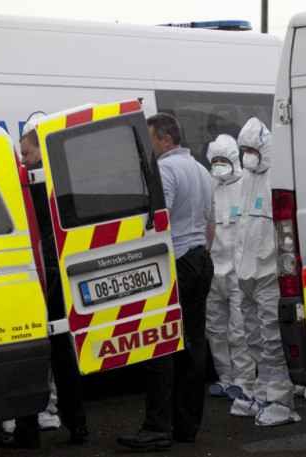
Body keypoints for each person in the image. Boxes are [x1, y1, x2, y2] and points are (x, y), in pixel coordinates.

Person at [117, 113, 215, 450]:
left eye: (150, 140)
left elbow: (161, 221)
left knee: (159, 344)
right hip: (201, 259)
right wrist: (200, 254)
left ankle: (158, 427)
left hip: (178, 262)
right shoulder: (202, 170)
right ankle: (187, 426)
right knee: (194, 346)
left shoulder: (166, 170)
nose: (148, 147)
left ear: (165, 140)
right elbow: (210, 222)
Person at [0, 123, 88, 449]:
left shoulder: (33, 182)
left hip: (39, 274)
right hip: (57, 273)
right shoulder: (60, 180)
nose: (23, 160)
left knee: (29, 350)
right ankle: (78, 425)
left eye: (27, 153)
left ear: (41, 151)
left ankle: (27, 432)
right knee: (63, 352)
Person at [229, 117, 301, 426]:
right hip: (245, 276)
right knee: (254, 338)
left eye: (251, 149)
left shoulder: (276, 179)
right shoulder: (246, 178)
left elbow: (285, 233)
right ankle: (262, 393)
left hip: (270, 275)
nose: (246, 155)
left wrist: (286, 274)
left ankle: (281, 401)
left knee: (274, 341)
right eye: (243, 149)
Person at [205, 134, 255, 400]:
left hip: (237, 269)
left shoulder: (245, 186)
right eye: (215, 161)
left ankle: (245, 380)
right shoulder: (208, 185)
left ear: (234, 160)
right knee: (214, 328)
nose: (219, 165)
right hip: (213, 268)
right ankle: (224, 377)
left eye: (224, 160)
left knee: (239, 328)